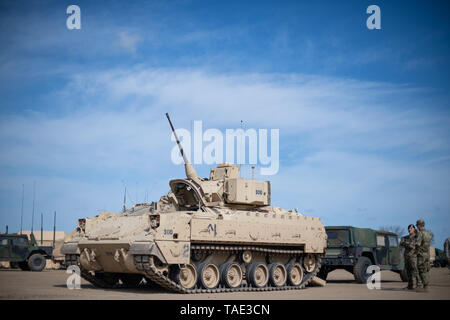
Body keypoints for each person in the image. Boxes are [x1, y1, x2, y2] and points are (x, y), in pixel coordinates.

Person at [415, 219, 432, 292]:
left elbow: (417, 244)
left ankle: (425, 286)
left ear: (419, 225)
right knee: (426, 269)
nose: (417, 227)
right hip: (427, 254)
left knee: (421, 270)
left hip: (421, 254)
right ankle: (426, 285)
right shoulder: (428, 233)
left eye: (417, 225)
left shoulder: (420, 233)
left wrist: (415, 251)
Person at [400, 224, 418, 290]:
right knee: (408, 272)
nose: (409, 229)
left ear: (414, 229)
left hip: (413, 256)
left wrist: (405, 243)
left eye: (411, 228)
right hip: (407, 256)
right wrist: (407, 243)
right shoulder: (405, 237)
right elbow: (401, 243)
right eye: (408, 228)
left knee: (414, 272)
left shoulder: (416, 237)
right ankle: (410, 286)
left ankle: (417, 285)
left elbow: (412, 246)